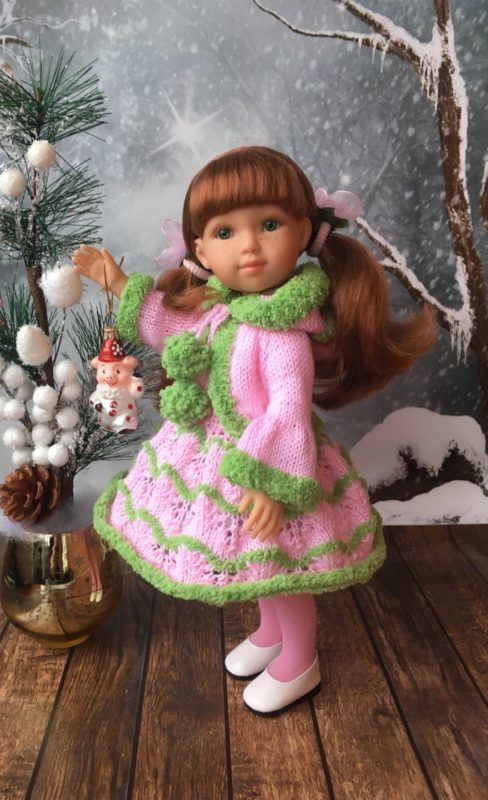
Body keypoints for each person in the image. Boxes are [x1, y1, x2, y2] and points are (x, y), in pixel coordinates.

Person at [72, 146, 435, 715]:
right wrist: (118, 282)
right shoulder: (219, 308)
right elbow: (169, 325)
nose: (248, 246)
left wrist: (269, 483)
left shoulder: (284, 333)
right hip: (215, 452)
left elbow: (287, 412)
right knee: (256, 561)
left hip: (270, 461)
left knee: (282, 564)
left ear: (304, 233)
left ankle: (300, 660)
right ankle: (270, 635)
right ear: (200, 250)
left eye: (268, 225)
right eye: (225, 232)